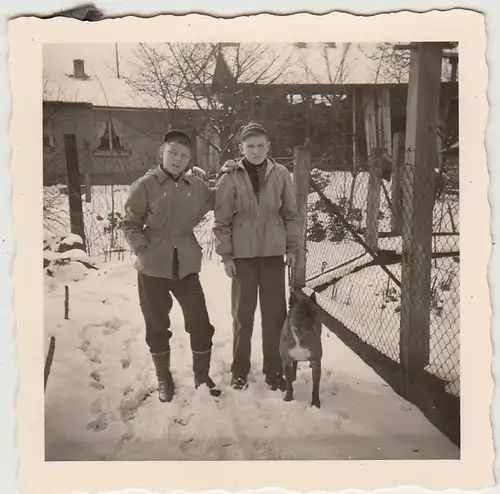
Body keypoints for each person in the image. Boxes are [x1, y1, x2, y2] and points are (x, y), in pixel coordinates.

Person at [122, 129, 220, 403]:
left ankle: (201, 376)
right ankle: (164, 378)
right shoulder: (145, 185)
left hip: (186, 267)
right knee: (157, 326)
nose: (178, 158)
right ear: (162, 153)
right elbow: (129, 223)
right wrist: (143, 247)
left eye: (184, 155)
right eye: (173, 152)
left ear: (190, 159)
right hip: (152, 269)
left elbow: (219, 198)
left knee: (200, 324)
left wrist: (230, 172)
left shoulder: (197, 188)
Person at [213, 122, 300, 391]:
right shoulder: (229, 177)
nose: (256, 151)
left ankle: (274, 370)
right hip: (243, 256)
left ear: (269, 146)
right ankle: (239, 370)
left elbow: (291, 213)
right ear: (241, 148)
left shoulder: (282, 173)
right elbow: (222, 220)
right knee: (243, 315)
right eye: (250, 146)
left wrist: (292, 247)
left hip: (273, 253)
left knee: (275, 316)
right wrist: (227, 255)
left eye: (261, 145)